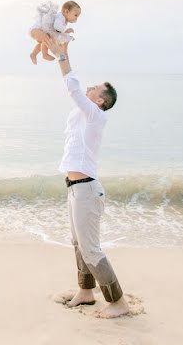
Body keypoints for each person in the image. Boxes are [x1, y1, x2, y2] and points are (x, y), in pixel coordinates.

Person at [45, 36, 129, 319]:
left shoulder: (96, 116)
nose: (89, 89)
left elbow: (74, 89)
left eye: (95, 89)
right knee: (78, 244)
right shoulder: (81, 117)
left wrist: (62, 55)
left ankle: (118, 301)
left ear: (100, 100)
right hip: (74, 188)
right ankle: (85, 292)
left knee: (91, 249)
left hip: (87, 191)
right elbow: (76, 97)